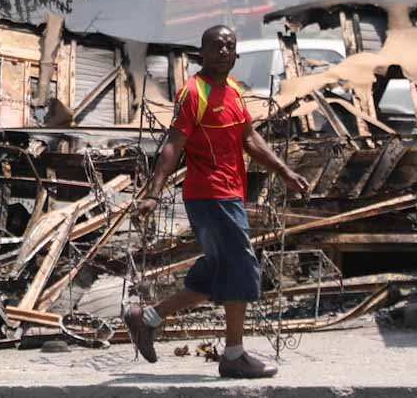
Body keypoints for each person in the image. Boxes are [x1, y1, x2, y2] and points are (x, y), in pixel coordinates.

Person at [123, 24, 308, 380]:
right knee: (241, 268)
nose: (224, 52)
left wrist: (284, 171)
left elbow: (249, 138)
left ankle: (146, 318)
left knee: (217, 273)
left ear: (236, 55)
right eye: (217, 46)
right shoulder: (194, 92)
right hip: (209, 196)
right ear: (202, 53)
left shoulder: (235, 90)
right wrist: (153, 193)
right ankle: (234, 355)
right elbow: (172, 146)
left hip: (229, 194)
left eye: (230, 46)